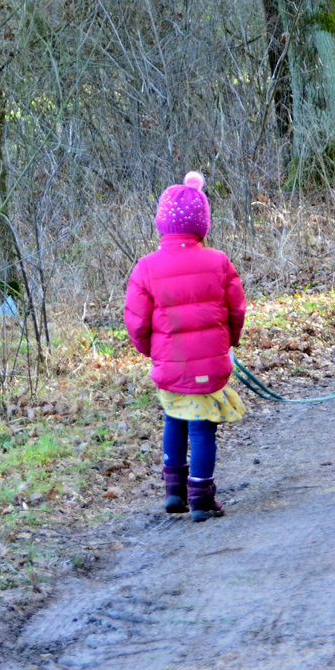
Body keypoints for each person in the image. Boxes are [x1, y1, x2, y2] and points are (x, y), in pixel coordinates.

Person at [123, 171, 247, 521]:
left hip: (170, 363)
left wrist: (151, 350)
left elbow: (136, 320)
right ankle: (201, 497)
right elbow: (236, 309)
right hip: (209, 365)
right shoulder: (218, 262)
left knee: (174, 419)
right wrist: (230, 341)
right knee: (203, 426)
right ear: (202, 224)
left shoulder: (145, 268)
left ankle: (174, 491)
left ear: (161, 223)